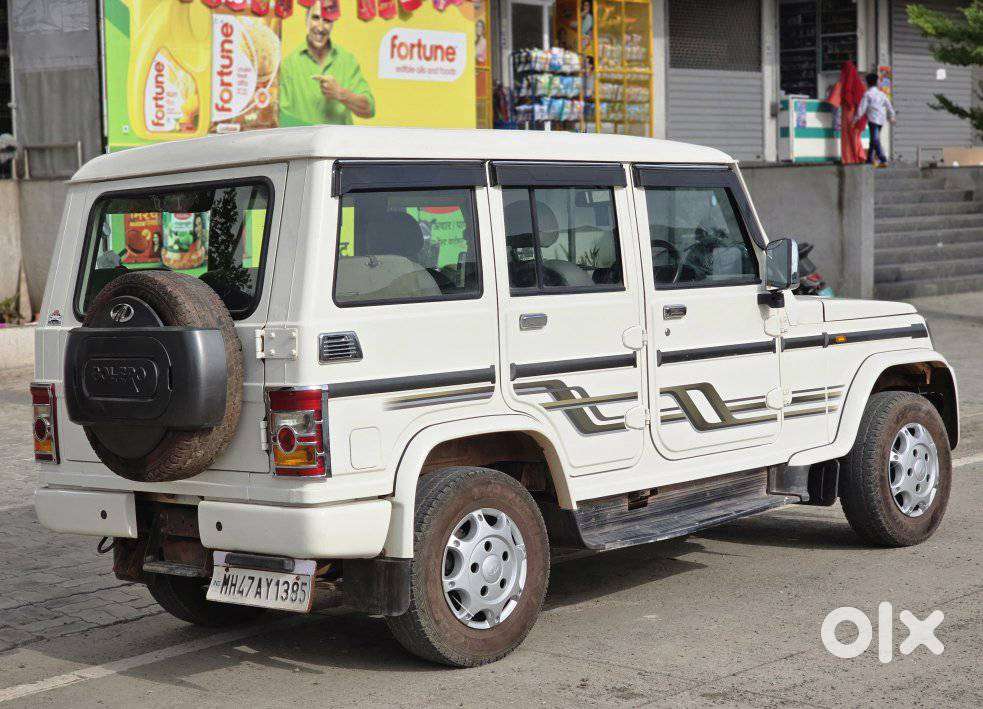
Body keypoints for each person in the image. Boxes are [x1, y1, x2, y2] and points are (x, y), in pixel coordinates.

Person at [279, 1, 375, 126]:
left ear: (333, 24)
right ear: (306, 20)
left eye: (327, 20)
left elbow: (369, 110)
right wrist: (316, 136)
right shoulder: (289, 64)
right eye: (315, 18)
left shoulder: (347, 61)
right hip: (304, 144)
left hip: (340, 144)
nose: (320, 27)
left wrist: (341, 94)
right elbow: (279, 116)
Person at [829, 61, 867, 164]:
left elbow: (833, 102)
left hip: (847, 116)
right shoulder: (861, 85)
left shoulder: (841, 84)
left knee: (847, 139)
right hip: (858, 117)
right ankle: (859, 157)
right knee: (856, 137)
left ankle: (849, 160)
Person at [854, 72, 896, 166]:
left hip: (873, 120)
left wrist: (855, 119)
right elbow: (889, 106)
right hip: (881, 120)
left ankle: (882, 159)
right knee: (874, 139)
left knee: (875, 139)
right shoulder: (882, 94)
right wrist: (892, 116)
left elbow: (861, 108)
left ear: (867, 83)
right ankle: (869, 159)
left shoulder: (867, 94)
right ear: (877, 82)